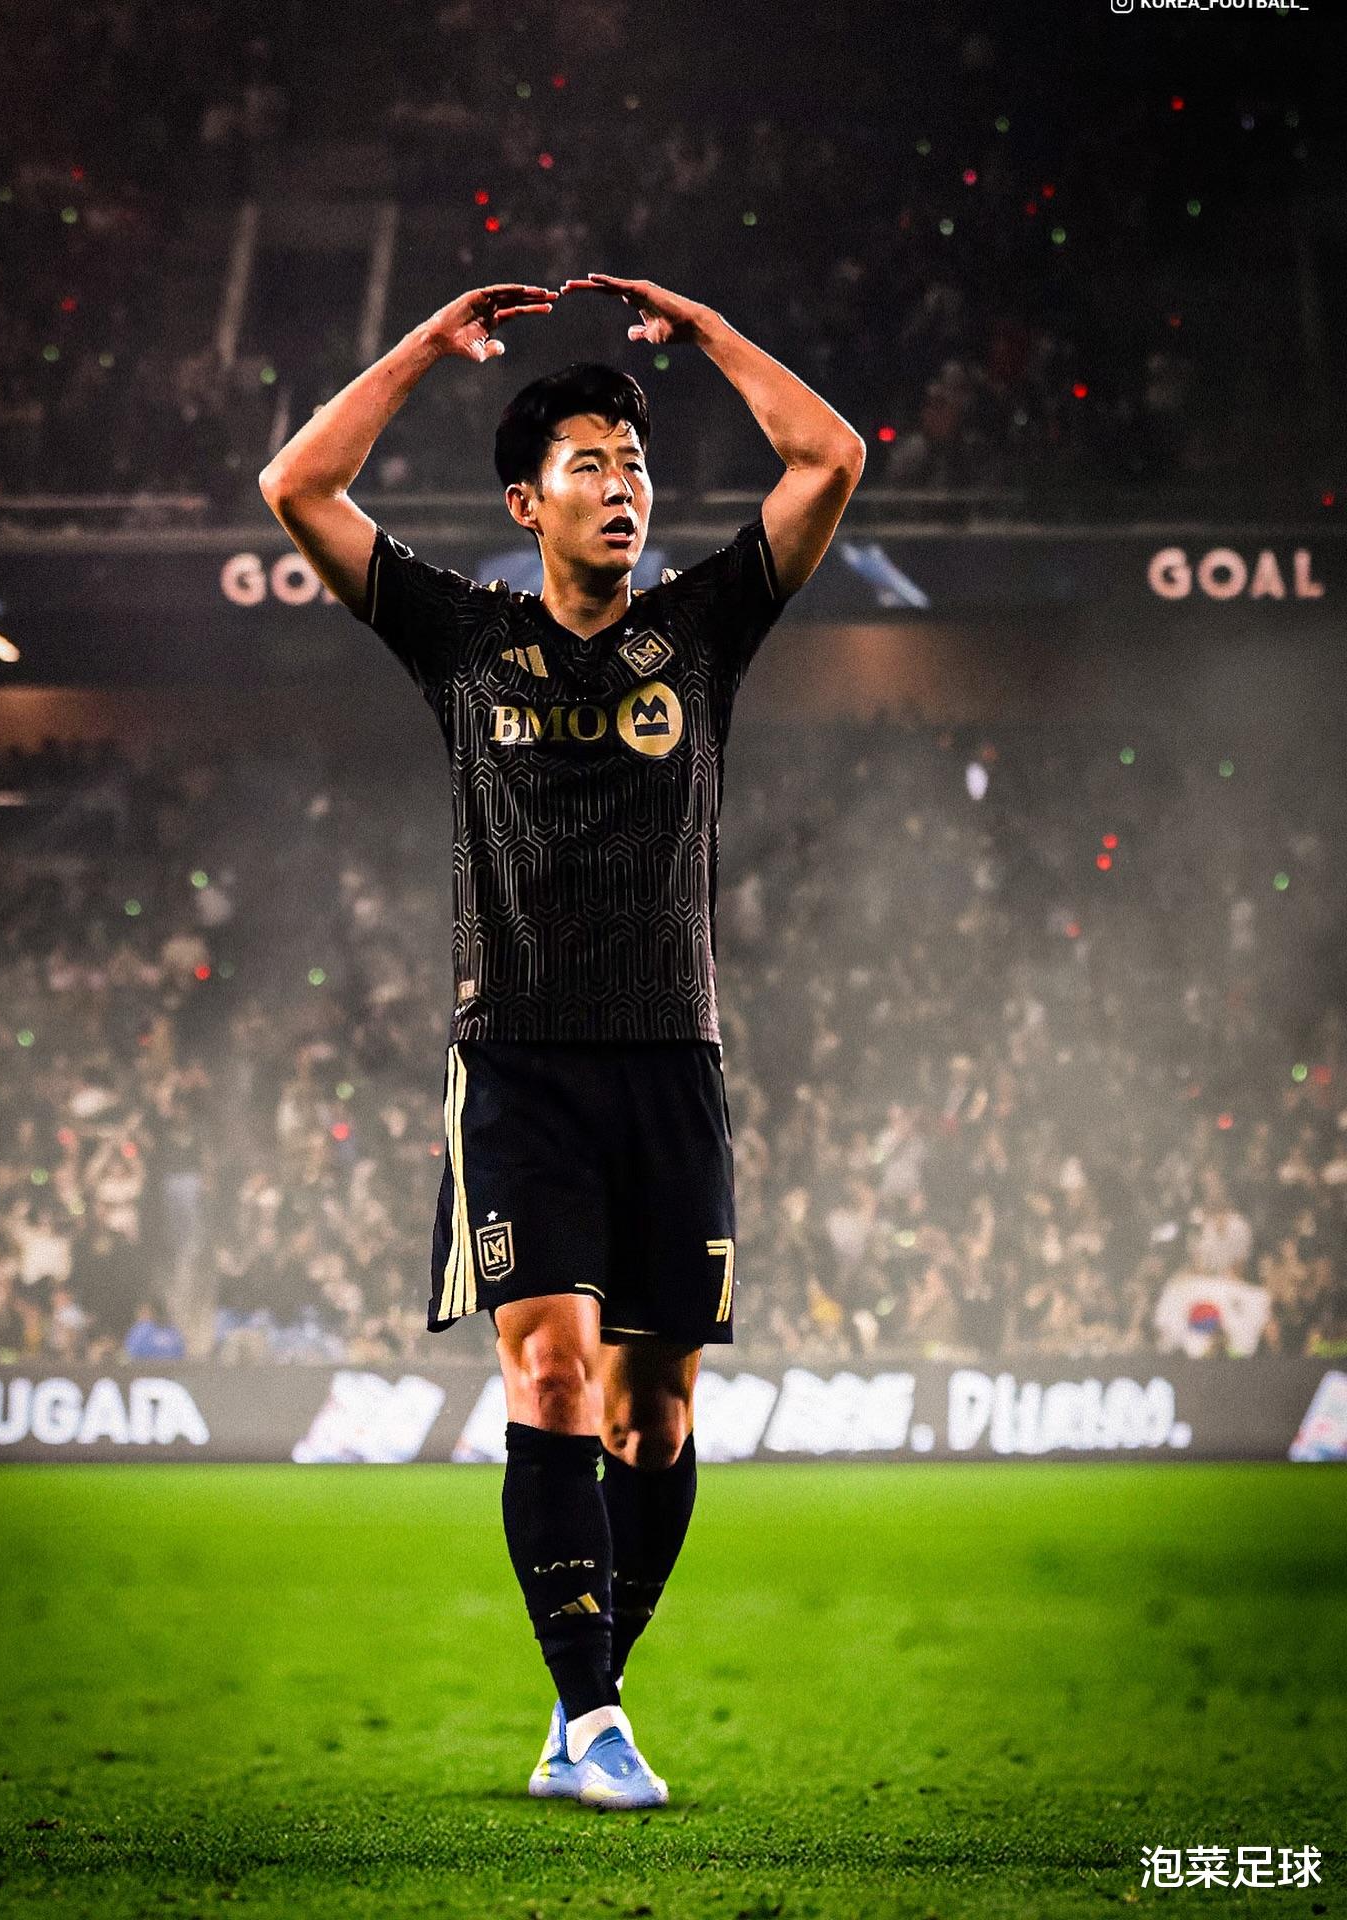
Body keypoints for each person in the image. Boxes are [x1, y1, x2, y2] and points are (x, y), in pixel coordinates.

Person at [260, 271, 864, 1808]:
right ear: (525, 504)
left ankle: (587, 1700)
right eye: (590, 463)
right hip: (519, 1062)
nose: (622, 485)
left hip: (672, 1060)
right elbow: (298, 486)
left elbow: (831, 457)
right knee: (550, 1375)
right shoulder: (464, 640)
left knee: (655, 1418)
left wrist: (713, 334)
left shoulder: (700, 633)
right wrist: (425, 344)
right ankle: (595, 1723)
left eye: (635, 463)